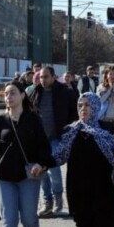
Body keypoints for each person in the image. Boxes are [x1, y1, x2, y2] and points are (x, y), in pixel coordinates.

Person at [53, 92, 114, 227]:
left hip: (105, 192)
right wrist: (41, 163)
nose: (83, 108)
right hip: (80, 193)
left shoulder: (107, 129)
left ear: (95, 106)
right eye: (80, 105)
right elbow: (59, 156)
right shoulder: (71, 131)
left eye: (87, 105)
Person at [0, 82, 54, 227]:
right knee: (9, 222)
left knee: (29, 220)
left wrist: (40, 164)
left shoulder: (34, 119)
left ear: (22, 95)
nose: (8, 97)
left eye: (12, 93)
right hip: (4, 177)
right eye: (6, 94)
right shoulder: (0, 120)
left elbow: (44, 148)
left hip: (28, 175)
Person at [28, 66, 78, 217]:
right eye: (41, 77)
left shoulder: (65, 92)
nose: (43, 80)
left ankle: (58, 198)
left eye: (46, 77)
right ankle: (47, 201)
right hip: (40, 140)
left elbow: (74, 113)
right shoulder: (35, 92)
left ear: (53, 77)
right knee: (41, 172)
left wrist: (67, 129)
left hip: (56, 137)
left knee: (54, 170)